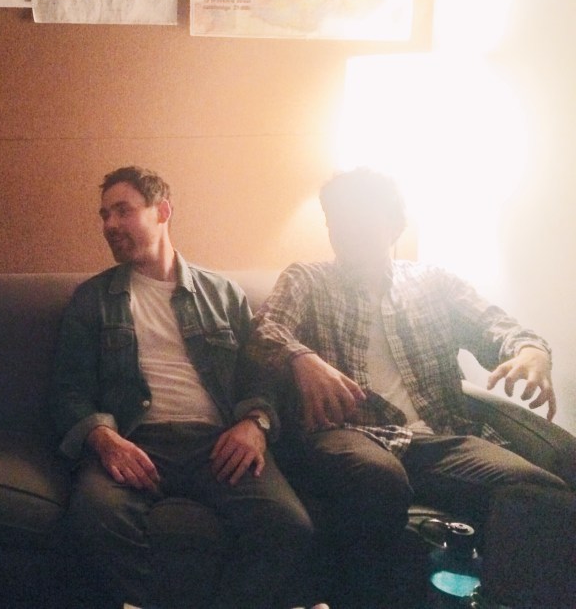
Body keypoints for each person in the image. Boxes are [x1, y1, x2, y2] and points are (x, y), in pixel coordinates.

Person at [248, 167, 571, 609]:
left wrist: (532, 351)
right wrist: (300, 357)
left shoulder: (434, 283)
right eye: (336, 219)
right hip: (348, 432)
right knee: (377, 478)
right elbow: (262, 330)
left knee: (538, 490)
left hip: (440, 438)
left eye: (360, 218)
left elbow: (497, 328)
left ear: (394, 225)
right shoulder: (308, 278)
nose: (346, 230)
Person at [51, 166, 323, 609]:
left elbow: (259, 374)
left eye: (123, 211)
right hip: (134, 441)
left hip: (217, 443)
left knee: (287, 525)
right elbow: (68, 390)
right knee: (94, 517)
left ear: (163, 211)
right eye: (104, 215)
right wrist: (103, 439)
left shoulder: (223, 293)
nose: (110, 224)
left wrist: (255, 423)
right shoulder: (92, 299)